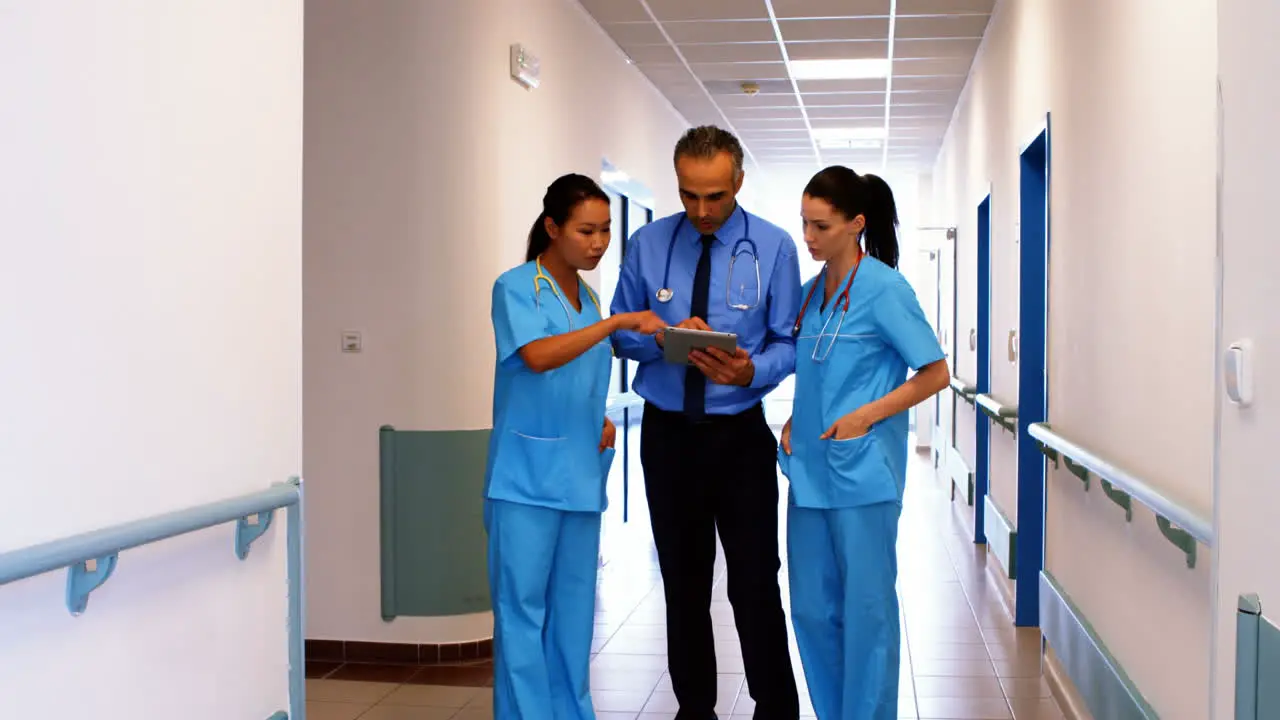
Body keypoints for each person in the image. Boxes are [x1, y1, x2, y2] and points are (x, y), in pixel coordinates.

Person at [610, 125, 803, 720]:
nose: (701, 210)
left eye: (715, 196)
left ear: (738, 182)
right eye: (689, 195)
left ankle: (775, 707)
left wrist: (751, 372)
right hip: (668, 437)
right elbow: (618, 330)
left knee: (753, 582)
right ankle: (695, 709)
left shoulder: (773, 247)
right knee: (682, 584)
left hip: (739, 437)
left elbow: (788, 342)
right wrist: (664, 339)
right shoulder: (646, 244)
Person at [484, 173, 667, 720]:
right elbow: (537, 357)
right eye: (586, 230)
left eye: (606, 230)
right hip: (523, 482)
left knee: (572, 616)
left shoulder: (586, 298)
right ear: (552, 227)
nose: (599, 243)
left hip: (579, 481)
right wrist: (615, 323)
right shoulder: (516, 286)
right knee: (522, 617)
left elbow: (578, 377)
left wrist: (601, 419)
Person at [778, 166, 950, 720]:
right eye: (804, 223)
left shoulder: (884, 288)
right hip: (808, 474)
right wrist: (795, 421)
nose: (808, 237)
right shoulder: (809, 296)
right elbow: (815, 375)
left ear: (856, 224)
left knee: (867, 614)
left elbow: (935, 372)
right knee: (810, 610)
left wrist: (866, 417)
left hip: (863, 475)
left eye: (820, 226)